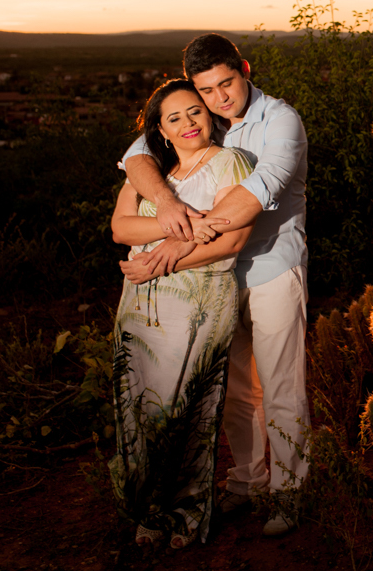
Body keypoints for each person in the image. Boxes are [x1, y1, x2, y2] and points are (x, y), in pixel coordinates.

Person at [119, 33, 310, 538]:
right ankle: (246, 483)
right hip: (215, 281)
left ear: (244, 69)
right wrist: (167, 203)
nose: (220, 98)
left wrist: (175, 245)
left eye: (227, 83)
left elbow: (256, 193)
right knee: (235, 391)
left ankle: (290, 493)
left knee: (281, 384)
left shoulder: (280, 121)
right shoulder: (200, 116)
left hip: (271, 266)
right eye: (208, 90)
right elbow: (138, 156)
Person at [109, 79, 255, 549]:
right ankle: (150, 512)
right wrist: (183, 222)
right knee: (140, 409)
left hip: (199, 301)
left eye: (195, 111)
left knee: (186, 410)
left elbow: (232, 239)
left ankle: (188, 515)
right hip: (139, 301)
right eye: (175, 118)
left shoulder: (230, 162)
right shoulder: (152, 172)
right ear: (161, 130)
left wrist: (163, 256)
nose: (189, 123)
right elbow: (120, 227)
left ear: (209, 116)